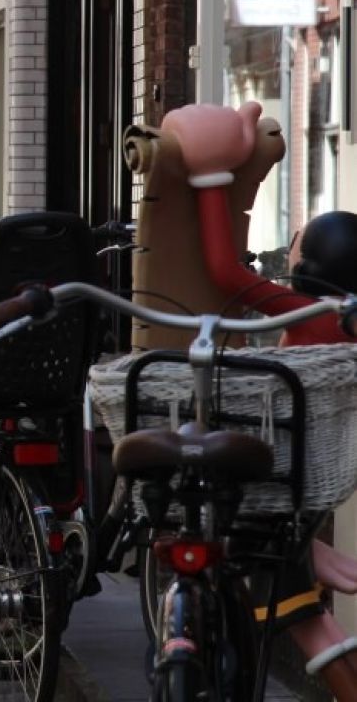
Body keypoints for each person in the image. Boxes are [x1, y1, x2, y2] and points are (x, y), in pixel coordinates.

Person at [167, 100, 357, 695]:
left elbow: (226, 272)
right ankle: (311, 558)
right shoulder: (347, 324)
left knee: (296, 607)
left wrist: (211, 179)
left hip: (279, 472)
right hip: (317, 470)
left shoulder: (307, 309)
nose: (286, 258)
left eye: (295, 250)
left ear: (311, 269)